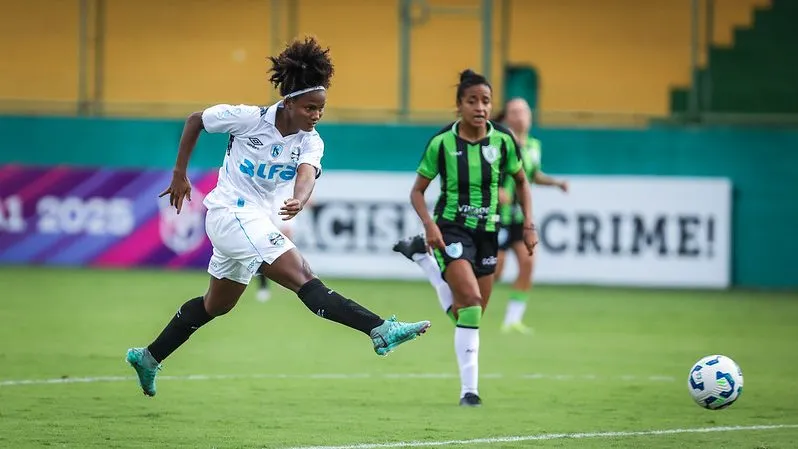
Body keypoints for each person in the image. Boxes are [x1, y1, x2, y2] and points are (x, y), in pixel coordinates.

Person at [125, 37, 431, 397]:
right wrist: (180, 174)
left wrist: (300, 199)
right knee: (303, 276)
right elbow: (196, 120)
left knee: (216, 305)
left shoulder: (311, 141)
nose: (316, 115)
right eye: (310, 108)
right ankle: (379, 329)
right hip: (229, 213)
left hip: (255, 220)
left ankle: (148, 357)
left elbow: (306, 174)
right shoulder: (249, 118)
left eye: (321, 109)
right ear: (288, 102)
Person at [394, 69, 538, 406]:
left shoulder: (503, 140)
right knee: (471, 301)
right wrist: (429, 225)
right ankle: (469, 392)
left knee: (469, 315)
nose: (480, 107)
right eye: (472, 101)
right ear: (459, 105)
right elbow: (417, 192)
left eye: (486, 101)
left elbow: (521, 181)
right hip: (451, 230)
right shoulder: (442, 143)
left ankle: (424, 262)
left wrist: (529, 224)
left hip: (488, 232)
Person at [493, 98, 568, 334]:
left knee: (528, 264)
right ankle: (463, 295)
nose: (520, 116)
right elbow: (485, 172)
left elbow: (533, 176)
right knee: (495, 271)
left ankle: (512, 320)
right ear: (507, 117)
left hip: (519, 217)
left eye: (523, 111)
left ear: (530, 116)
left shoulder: (534, 145)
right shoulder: (500, 142)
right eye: (514, 112)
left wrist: (556, 183)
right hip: (498, 216)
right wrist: (496, 189)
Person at [255, 186, 311, 302]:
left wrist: (303, 200)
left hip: (286, 208)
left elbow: (309, 196)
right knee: (263, 248)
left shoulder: (295, 179)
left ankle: (287, 276)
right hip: (268, 208)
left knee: (284, 241)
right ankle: (264, 285)